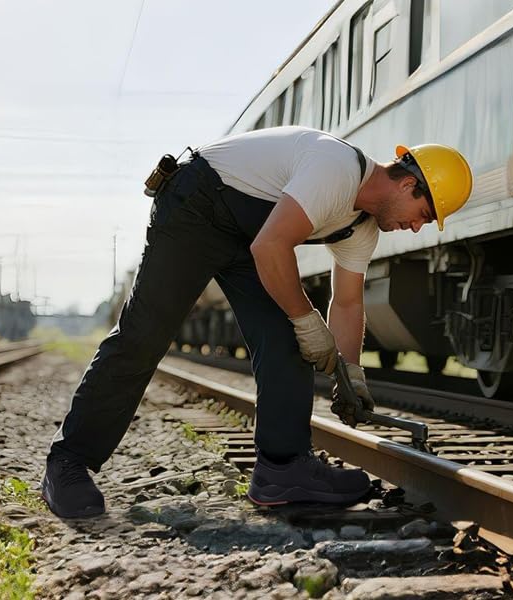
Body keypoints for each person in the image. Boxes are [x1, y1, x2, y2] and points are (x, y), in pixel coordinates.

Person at [41, 125, 473, 517]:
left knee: (285, 343)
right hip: (199, 204)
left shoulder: (361, 228)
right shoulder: (336, 167)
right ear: (410, 184)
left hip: (252, 233)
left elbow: (346, 304)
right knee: (144, 335)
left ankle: (281, 471)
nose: (417, 228)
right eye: (424, 215)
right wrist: (307, 321)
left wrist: (351, 371)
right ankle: (67, 462)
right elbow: (272, 248)